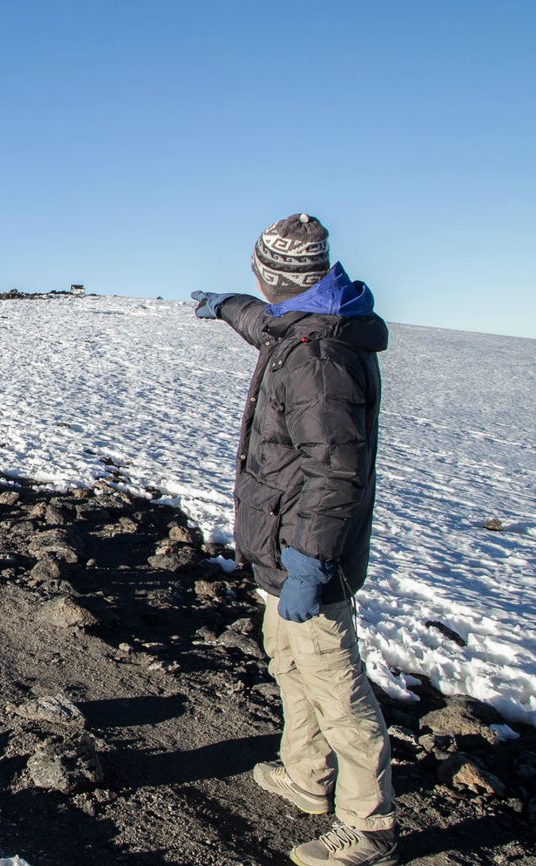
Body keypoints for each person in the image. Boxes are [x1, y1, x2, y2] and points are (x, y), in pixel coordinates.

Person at [192, 213, 395, 866]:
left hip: (310, 555)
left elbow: (335, 470)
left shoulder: (319, 357)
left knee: (340, 694)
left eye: (257, 274)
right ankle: (307, 775)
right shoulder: (302, 327)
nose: (255, 281)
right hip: (282, 550)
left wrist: (310, 562)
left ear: (278, 276)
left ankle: (368, 833)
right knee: (289, 665)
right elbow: (266, 323)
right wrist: (228, 306)